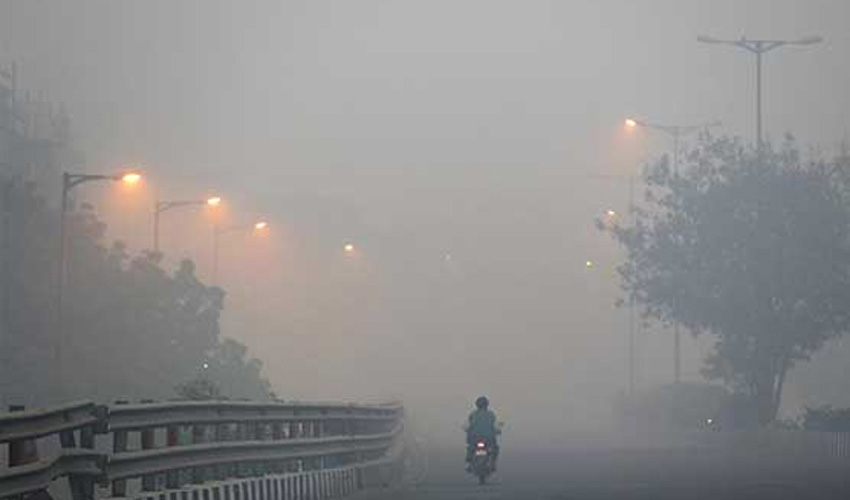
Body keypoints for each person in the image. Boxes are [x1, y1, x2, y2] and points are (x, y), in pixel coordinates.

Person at [465, 396, 501, 471]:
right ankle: (493, 463)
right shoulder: (491, 414)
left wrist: (468, 430)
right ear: (486, 404)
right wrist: (497, 431)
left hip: (475, 438)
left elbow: (470, 425)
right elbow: (493, 426)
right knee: (495, 449)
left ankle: (469, 461)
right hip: (488, 439)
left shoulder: (473, 414)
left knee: (470, 448)